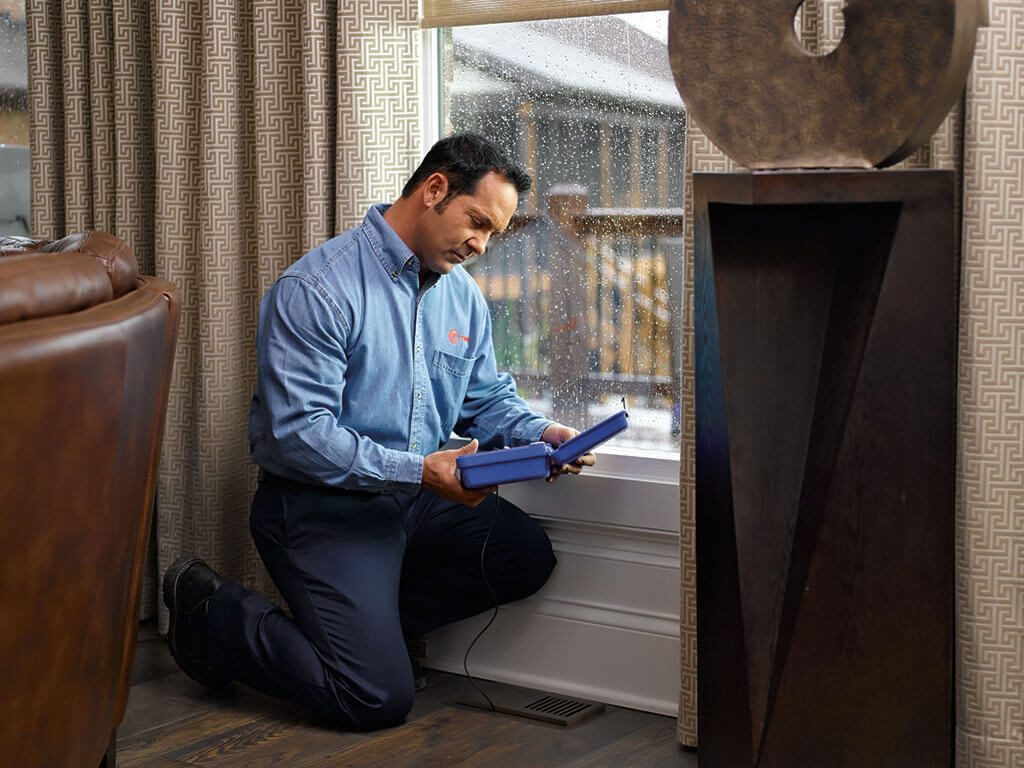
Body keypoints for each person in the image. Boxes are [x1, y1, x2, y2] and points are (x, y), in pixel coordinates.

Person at [162, 132, 595, 731]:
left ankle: (377, 633)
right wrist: (420, 470)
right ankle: (210, 613)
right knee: (374, 698)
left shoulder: (462, 299)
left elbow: (484, 398)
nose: (482, 245)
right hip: (320, 507)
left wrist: (542, 432)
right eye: (476, 222)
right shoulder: (316, 290)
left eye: (494, 233)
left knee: (523, 554)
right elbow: (299, 437)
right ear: (434, 189)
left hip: (413, 500)